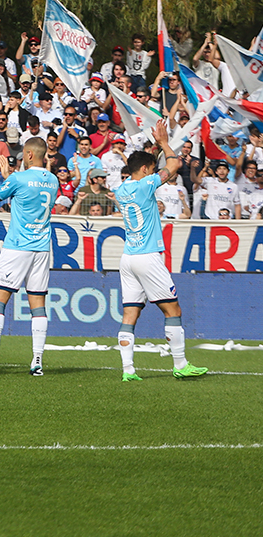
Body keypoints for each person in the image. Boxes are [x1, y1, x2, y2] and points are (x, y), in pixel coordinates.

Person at [115, 122, 207, 381]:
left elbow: (146, 166)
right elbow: (174, 164)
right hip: (147, 256)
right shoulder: (146, 185)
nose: (154, 172)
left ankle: (128, 370)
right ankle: (180, 364)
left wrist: (153, 148)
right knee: (173, 310)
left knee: (130, 313)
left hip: (128, 257)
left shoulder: (121, 189)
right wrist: (165, 142)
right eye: (152, 169)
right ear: (145, 170)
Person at [0, 139, 59, 377]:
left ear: (30, 155)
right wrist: (9, 176)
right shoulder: (53, 180)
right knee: (38, 305)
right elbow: (25, 194)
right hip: (41, 248)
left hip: (17, 247)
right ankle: (37, 361)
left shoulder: (18, 179)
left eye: (24, 153)